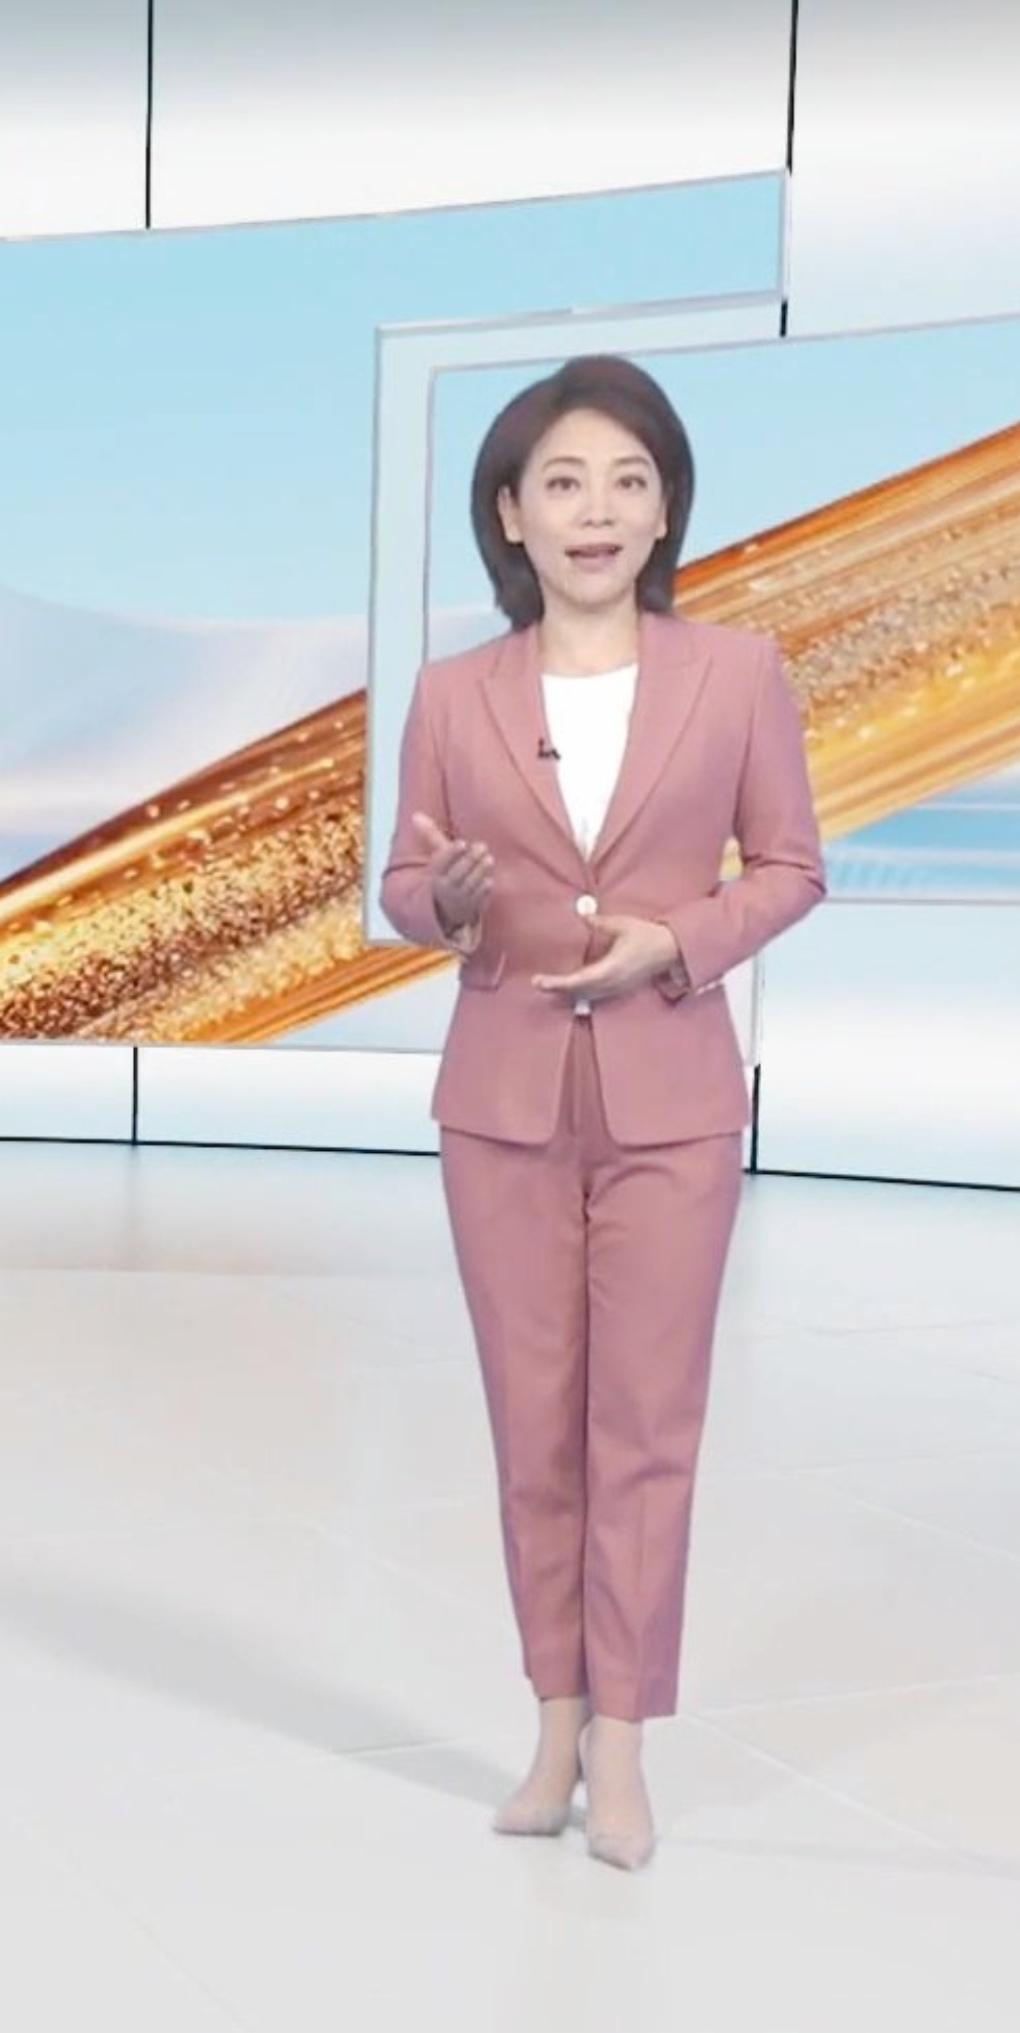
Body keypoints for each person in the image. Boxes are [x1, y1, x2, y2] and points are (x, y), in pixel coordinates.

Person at [378, 353, 827, 1869]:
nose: (598, 509)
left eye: (630, 481)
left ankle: (625, 1743)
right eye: (563, 481)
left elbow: (791, 867)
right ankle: (554, 1724)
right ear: (510, 513)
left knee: (644, 1426)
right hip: (501, 1102)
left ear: (665, 510)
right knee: (535, 1431)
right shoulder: (454, 694)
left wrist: (677, 943)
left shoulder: (737, 675)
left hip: (671, 1101)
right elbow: (405, 882)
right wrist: (445, 902)